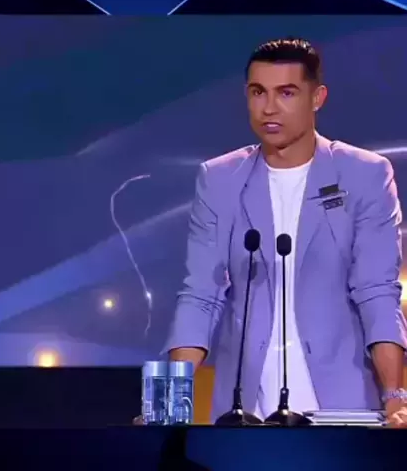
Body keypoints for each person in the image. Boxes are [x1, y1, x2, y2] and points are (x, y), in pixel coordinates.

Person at [163, 38, 407, 427]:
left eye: (286, 93)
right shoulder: (220, 179)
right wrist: (171, 403)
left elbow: (376, 292)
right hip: (245, 416)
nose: (269, 108)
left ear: (317, 98)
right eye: (258, 92)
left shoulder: (365, 175)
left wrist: (395, 397)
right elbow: (201, 295)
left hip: (341, 412)